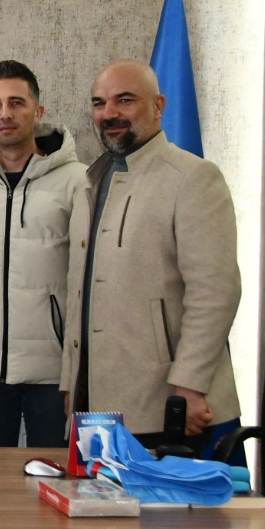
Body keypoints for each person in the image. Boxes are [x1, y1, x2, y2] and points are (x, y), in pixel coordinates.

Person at [61, 58, 240, 450]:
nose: (109, 113)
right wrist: (71, 383)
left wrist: (190, 385)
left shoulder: (193, 178)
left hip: (168, 405)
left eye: (124, 100)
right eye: (99, 103)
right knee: (99, 493)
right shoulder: (90, 182)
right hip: (97, 405)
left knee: (166, 495)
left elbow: (215, 293)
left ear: (159, 106)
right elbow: (79, 293)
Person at [0, 60, 85, 448]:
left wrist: (80, 369)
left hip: (53, 371)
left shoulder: (79, 182)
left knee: (54, 475)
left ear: (38, 111)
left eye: (16, 103)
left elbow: (87, 283)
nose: (5, 114)